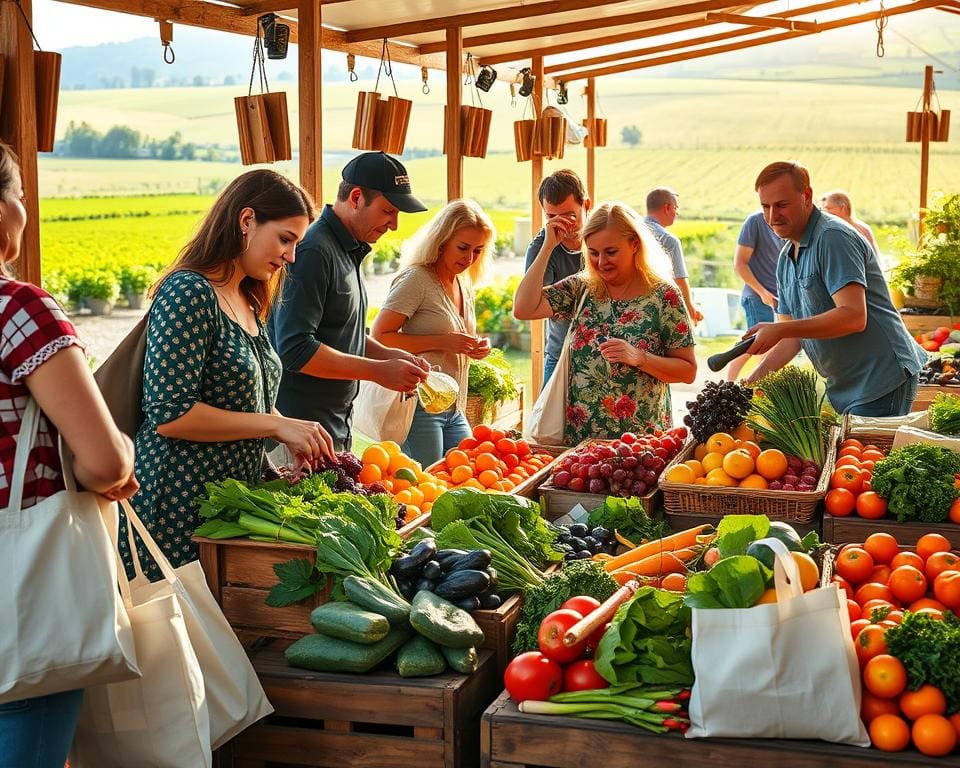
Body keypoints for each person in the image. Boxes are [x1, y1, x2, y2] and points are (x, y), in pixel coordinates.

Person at [0, 141, 138, 767]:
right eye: (21, 197)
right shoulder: (19, 311)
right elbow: (104, 461)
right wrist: (115, 461)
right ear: (2, 212)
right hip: (21, 604)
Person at [128, 169, 335, 574]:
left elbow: (242, 404)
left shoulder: (247, 299)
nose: (291, 257)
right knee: (177, 631)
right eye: (285, 239)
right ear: (246, 221)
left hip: (226, 507)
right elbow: (170, 415)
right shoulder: (189, 292)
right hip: (176, 506)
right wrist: (274, 427)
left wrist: (288, 433)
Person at [269, 152, 431, 452]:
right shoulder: (314, 252)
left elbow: (342, 331)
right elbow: (295, 349)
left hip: (332, 426)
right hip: (299, 432)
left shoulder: (348, 248)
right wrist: (378, 371)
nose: (394, 225)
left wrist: (389, 356)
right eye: (388, 211)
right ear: (356, 197)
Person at [745, 161, 926, 416]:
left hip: (880, 381)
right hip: (846, 386)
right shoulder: (786, 257)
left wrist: (779, 329)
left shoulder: (832, 236)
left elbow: (853, 316)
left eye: (782, 205)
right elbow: (791, 339)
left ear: (806, 196)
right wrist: (748, 385)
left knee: (865, 455)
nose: (773, 216)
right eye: (766, 207)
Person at [514, 202, 697, 445]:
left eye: (611, 252)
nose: (601, 262)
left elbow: (688, 371)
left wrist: (640, 357)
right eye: (593, 252)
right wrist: (548, 247)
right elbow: (523, 308)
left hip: (640, 446)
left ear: (634, 245)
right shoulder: (583, 287)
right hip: (579, 446)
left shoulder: (665, 296)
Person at [370, 200, 494, 465]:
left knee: (467, 476)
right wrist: (443, 342)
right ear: (441, 241)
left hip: (455, 407)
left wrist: (476, 347)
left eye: (478, 250)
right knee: (426, 488)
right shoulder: (416, 280)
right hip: (420, 407)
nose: (469, 258)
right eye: (463, 248)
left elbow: (452, 333)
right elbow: (380, 336)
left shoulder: (462, 281)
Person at [524, 169, 591, 389]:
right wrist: (548, 247)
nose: (562, 224)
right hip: (560, 354)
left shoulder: (602, 237)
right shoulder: (540, 247)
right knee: (548, 423)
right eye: (552, 217)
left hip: (603, 354)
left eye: (570, 215)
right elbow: (531, 304)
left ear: (586, 205)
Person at [727, 210, 785, 381]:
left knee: (770, 345)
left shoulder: (788, 224)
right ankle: (728, 386)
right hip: (757, 297)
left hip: (779, 299)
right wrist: (762, 293)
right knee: (756, 344)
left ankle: (738, 387)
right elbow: (739, 263)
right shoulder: (754, 222)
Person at [644, 187, 703, 325]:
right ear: (667, 207)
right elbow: (679, 280)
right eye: (676, 208)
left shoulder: (631, 231)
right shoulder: (668, 240)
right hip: (659, 307)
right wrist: (690, 307)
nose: (677, 213)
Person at [822, 190, 880, 256]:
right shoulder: (829, 230)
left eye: (828, 208)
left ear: (842, 208)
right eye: (824, 209)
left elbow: (874, 258)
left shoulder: (862, 230)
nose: (825, 212)